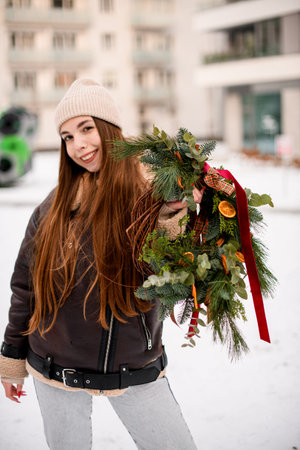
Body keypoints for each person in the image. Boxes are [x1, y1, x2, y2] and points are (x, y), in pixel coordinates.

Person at [0, 79, 199, 450]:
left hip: (134, 364)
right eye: (67, 137)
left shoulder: (150, 195)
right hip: (54, 366)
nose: (79, 145)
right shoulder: (52, 206)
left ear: (109, 129)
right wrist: (12, 358)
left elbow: (170, 274)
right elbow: (24, 287)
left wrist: (172, 216)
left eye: (86, 128)